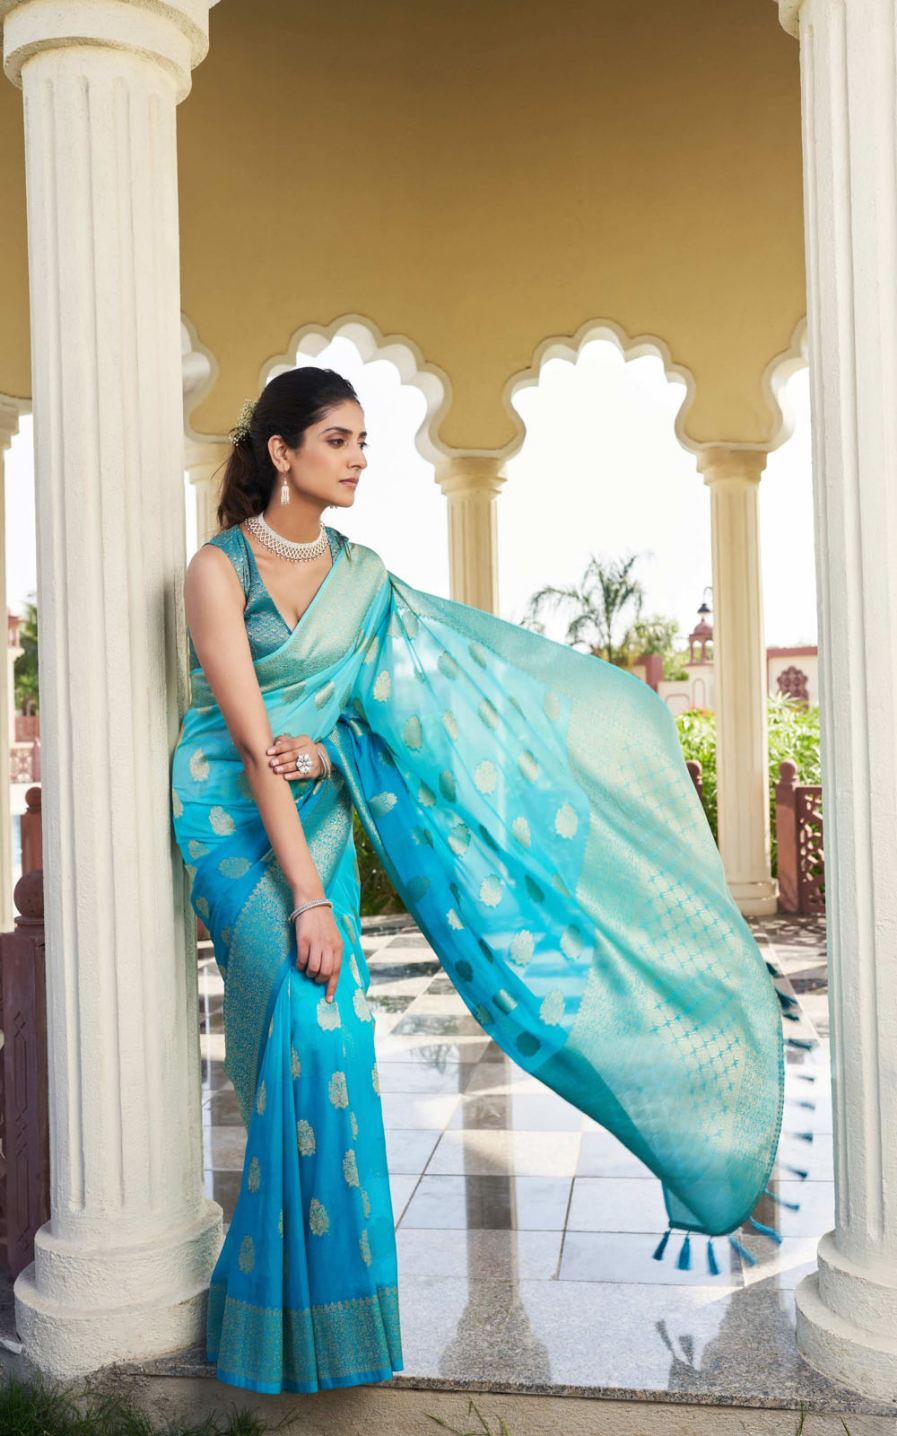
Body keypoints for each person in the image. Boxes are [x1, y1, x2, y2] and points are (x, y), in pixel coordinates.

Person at [170, 365, 785, 1397]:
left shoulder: (364, 578)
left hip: (307, 807)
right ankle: (272, 1325)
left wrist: (334, 754)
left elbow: (386, 712)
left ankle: (322, 1329)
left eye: (364, 438)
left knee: (335, 1045)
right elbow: (249, 740)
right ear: (282, 451)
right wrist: (311, 895)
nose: (360, 455)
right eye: (338, 437)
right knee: (300, 1030)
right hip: (231, 817)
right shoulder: (216, 571)